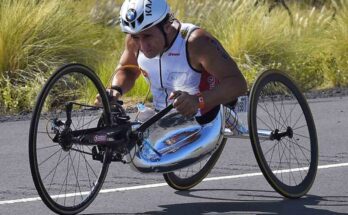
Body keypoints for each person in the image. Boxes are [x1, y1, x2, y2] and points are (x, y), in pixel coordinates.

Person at [95, 0, 247, 121]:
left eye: (147, 36)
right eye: (135, 36)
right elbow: (127, 69)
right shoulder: (133, 40)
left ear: (167, 26)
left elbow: (238, 83)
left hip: (204, 112)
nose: (142, 45)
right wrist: (116, 90)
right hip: (163, 117)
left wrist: (197, 100)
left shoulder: (196, 42)